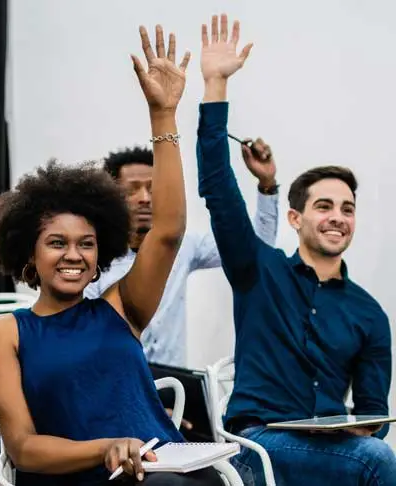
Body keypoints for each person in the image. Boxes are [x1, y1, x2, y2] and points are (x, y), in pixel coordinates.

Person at [0, 25, 223, 486]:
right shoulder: (4, 334)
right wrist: (108, 449)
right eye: (57, 243)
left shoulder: (119, 308)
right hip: (83, 477)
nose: (74, 255)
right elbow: (24, 448)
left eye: (86, 243)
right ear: (29, 254)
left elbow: (168, 231)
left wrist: (163, 115)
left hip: (164, 469)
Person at [195, 14, 395, 485]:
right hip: (256, 443)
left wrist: (354, 427)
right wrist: (215, 84)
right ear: (295, 218)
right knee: (378, 464)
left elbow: (373, 415)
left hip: (331, 448)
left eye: (347, 209)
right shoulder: (257, 271)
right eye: (324, 206)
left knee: (373, 454)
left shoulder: (369, 314)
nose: (337, 218)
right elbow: (219, 190)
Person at [84, 140, 279, 367]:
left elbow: (254, 246)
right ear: (111, 198)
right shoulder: (92, 256)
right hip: (114, 382)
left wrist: (267, 184)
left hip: (172, 387)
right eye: (132, 190)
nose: (145, 198)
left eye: (153, 188)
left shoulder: (182, 245)